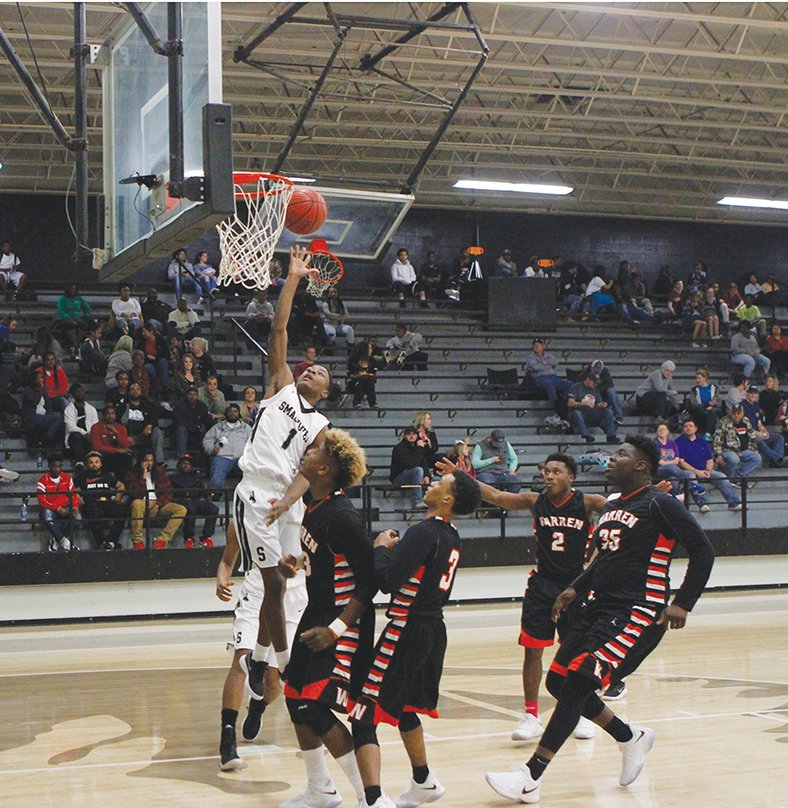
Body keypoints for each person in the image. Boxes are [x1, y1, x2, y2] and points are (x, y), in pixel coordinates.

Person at [485, 435, 715, 804]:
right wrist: (574, 588)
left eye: (621, 455)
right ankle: (629, 737)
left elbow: (703, 550)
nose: (611, 459)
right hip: (599, 607)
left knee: (577, 681)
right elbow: (604, 561)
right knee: (559, 683)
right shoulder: (609, 509)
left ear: (641, 465)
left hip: (638, 610)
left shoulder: (660, 503)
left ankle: (530, 776)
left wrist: (683, 602)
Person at [442, 452, 606, 742]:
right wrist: (461, 475)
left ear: (571, 477)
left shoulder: (588, 502)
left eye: (557, 471)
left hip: (575, 586)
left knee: (576, 654)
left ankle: (580, 711)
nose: (549, 475)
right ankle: (531, 715)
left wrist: (656, 497)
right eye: (546, 470)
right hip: (542, 585)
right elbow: (495, 495)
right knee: (532, 650)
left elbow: (624, 509)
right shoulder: (535, 501)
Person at [350, 471, 481, 808]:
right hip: (434, 629)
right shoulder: (452, 536)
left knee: (363, 713)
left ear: (448, 499)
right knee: (406, 707)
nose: (431, 485)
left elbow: (388, 582)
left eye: (440, 484)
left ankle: (374, 800)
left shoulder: (423, 532)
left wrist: (381, 549)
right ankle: (423, 780)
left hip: (406, 629)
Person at [235, 246, 331, 706]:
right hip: (256, 490)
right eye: (308, 365)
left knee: (293, 580)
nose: (310, 367)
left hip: (286, 502)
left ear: (326, 392)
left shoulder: (321, 428)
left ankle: (263, 659)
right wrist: (292, 278)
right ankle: (278, 664)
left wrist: (291, 503)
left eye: (320, 370)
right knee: (271, 582)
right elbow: (279, 328)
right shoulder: (281, 386)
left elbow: (311, 475)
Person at [278, 429, 374, 808]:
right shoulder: (313, 507)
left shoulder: (342, 516)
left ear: (326, 468)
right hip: (315, 611)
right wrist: (298, 566)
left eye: (317, 448)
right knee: (293, 698)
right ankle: (321, 789)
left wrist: (336, 630)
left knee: (315, 706)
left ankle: (369, 796)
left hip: (342, 622)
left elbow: (369, 582)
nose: (310, 449)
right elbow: (328, 560)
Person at [215, 521, 308, 771]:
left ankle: (258, 707)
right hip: (257, 591)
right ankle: (227, 741)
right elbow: (227, 560)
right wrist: (222, 578)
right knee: (241, 662)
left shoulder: (304, 510)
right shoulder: (245, 513)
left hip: (295, 597)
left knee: (273, 679)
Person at [675, 418, 741, 511]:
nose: (688, 428)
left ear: (695, 428)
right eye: (685, 426)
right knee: (691, 478)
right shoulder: (679, 442)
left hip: (705, 470)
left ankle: (734, 503)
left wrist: (708, 471)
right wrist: (698, 472)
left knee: (722, 476)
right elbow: (681, 462)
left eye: (690, 426)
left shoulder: (702, 441)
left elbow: (710, 459)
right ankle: (703, 504)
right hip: (689, 471)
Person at [125, 452, 187, 549]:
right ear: (140, 461)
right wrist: (143, 477)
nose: (148, 463)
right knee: (136, 503)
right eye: (146, 460)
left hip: (159, 502)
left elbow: (168, 492)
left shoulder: (159, 471)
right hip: (142, 501)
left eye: (151, 460)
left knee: (181, 509)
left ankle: (162, 540)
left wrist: (158, 505)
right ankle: (138, 541)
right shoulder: (132, 473)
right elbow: (136, 494)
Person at [75, 451, 126, 550]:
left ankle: (111, 541)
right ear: (87, 464)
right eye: (91, 462)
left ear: (101, 464)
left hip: (107, 503)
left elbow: (121, 485)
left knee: (121, 511)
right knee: (93, 511)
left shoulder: (107, 476)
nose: (94, 464)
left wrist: (118, 495)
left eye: (96, 462)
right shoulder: (82, 477)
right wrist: (77, 497)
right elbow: (69, 487)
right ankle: (101, 542)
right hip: (91, 504)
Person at [170, 453, 219, 548]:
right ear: (179, 465)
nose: (186, 465)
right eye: (183, 463)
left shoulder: (196, 479)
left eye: (188, 464)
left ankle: (206, 537)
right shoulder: (173, 478)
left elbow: (203, 493)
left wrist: (205, 497)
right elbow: (170, 494)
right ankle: (188, 538)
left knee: (213, 509)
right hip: (180, 501)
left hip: (196, 501)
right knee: (190, 508)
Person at [202, 404, 252, 493]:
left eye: (235, 411)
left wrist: (249, 456)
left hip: (242, 458)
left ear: (239, 414)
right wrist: (211, 449)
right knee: (216, 482)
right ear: (226, 413)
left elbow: (254, 443)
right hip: (221, 458)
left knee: (252, 479)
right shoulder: (217, 427)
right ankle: (213, 499)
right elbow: (207, 440)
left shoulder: (246, 428)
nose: (232, 413)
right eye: (230, 411)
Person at [37, 453, 81, 552]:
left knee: (78, 518)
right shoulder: (43, 481)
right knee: (47, 516)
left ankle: (56, 540)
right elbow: (42, 501)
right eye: (54, 466)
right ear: (49, 466)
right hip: (51, 508)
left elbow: (73, 495)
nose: (57, 469)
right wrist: (57, 508)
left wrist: (75, 506)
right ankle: (67, 544)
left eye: (59, 466)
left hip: (66, 506)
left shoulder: (67, 478)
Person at [116, 382, 165, 465]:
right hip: (128, 436)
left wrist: (150, 425)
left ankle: (159, 461)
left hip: (144, 436)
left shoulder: (148, 405)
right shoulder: (123, 406)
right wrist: (125, 436)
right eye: (132, 389)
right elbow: (117, 422)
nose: (135, 391)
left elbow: (154, 419)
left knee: (157, 431)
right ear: (128, 392)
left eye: (138, 389)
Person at [712, 403, 762, 483]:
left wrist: (753, 449)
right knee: (734, 460)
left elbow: (752, 436)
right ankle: (729, 480)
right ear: (731, 413)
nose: (736, 416)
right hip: (728, 450)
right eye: (734, 413)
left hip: (743, 450)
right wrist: (718, 455)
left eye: (739, 413)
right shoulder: (723, 422)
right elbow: (717, 440)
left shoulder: (746, 421)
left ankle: (739, 478)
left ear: (742, 413)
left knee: (757, 457)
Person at [567, 372, 621, 445]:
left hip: (592, 412)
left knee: (608, 411)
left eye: (596, 383)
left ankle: (611, 436)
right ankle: (586, 435)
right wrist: (583, 403)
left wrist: (602, 405)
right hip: (581, 412)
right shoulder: (576, 387)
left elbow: (598, 403)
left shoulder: (595, 389)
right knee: (577, 414)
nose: (595, 384)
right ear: (588, 380)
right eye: (594, 382)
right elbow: (570, 403)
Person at [741, 384, 787, 468]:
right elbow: (744, 427)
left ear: (758, 394)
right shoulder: (742, 406)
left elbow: (759, 423)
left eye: (755, 393)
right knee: (760, 441)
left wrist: (764, 431)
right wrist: (758, 434)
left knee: (779, 438)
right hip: (747, 435)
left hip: (757, 432)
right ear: (747, 393)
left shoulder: (756, 405)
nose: (753, 395)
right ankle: (779, 460)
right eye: (751, 392)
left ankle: (775, 462)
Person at [524, 339, 572, 410]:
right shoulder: (530, 357)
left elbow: (555, 362)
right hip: (540, 379)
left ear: (542, 346)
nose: (537, 347)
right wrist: (547, 363)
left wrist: (541, 363)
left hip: (553, 377)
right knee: (549, 384)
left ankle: (564, 404)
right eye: (535, 345)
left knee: (570, 385)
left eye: (539, 345)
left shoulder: (549, 355)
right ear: (532, 347)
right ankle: (556, 407)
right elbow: (535, 367)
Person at [89, 403, 134, 478]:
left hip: (116, 457)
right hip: (102, 456)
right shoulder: (95, 427)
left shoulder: (121, 428)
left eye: (112, 413)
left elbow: (125, 445)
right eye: (108, 414)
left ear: (115, 415)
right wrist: (117, 450)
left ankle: (122, 482)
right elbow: (97, 447)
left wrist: (116, 432)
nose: (110, 416)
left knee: (126, 456)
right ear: (103, 415)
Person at [389, 426, 429, 508]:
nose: (411, 436)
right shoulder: (399, 448)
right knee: (418, 470)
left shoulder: (417, 447)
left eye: (414, 434)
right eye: (409, 434)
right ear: (405, 436)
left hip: (415, 476)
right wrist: (420, 449)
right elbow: (412, 464)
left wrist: (427, 475)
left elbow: (424, 462)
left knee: (438, 479)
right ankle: (417, 501)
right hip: (399, 477)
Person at [21, 373, 63, 447]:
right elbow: (35, 401)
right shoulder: (28, 390)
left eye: (42, 378)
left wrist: (50, 415)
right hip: (32, 417)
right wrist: (39, 389)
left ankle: (50, 440)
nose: (41, 380)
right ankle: (48, 438)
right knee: (58, 419)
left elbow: (48, 405)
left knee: (60, 423)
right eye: (39, 378)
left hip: (43, 416)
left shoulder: (43, 391)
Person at [63, 383, 99, 465]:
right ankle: (79, 462)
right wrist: (85, 433)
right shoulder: (69, 409)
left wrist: (90, 434)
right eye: (77, 392)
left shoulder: (91, 409)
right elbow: (70, 427)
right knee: (76, 435)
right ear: (73, 394)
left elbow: (96, 426)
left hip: (89, 437)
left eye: (82, 391)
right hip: (75, 438)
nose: (80, 394)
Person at [172, 387, 213, 457]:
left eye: (194, 395)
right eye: (190, 394)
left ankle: (207, 457)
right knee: (181, 429)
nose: (192, 397)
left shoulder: (201, 405)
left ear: (198, 396)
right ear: (186, 395)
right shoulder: (180, 405)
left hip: (198, 435)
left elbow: (208, 419)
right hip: (183, 434)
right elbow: (179, 421)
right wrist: (196, 427)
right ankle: (182, 457)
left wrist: (205, 426)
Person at [53, 284, 92, 355]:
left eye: (74, 289)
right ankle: (76, 344)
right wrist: (67, 317)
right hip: (66, 318)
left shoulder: (79, 298)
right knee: (71, 324)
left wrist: (86, 315)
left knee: (84, 324)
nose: (73, 291)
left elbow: (87, 309)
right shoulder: (62, 299)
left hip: (77, 318)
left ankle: (76, 344)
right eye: (71, 289)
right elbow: (61, 310)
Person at [582, 359, 624, 424]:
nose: (598, 372)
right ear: (591, 368)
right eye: (596, 370)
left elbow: (610, 384)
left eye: (599, 370)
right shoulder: (585, 373)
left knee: (611, 391)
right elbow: (579, 384)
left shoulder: (605, 371)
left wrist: (598, 389)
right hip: (589, 393)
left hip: (602, 392)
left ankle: (619, 416)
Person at [134, 321, 170, 392]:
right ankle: (154, 388)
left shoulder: (161, 341)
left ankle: (165, 386)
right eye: (143, 332)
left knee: (164, 362)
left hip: (159, 362)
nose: (143, 333)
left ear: (151, 332)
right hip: (148, 362)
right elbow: (139, 355)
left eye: (145, 332)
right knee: (148, 367)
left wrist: (156, 358)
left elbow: (166, 354)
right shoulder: (141, 343)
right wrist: (147, 358)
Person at [687, 367, 721, 437]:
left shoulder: (714, 388)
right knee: (701, 408)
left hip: (712, 409)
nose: (697, 380)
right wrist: (707, 405)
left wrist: (712, 405)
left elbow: (718, 401)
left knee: (713, 411)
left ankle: (708, 433)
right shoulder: (694, 390)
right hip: (700, 410)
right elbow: (694, 404)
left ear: (705, 378)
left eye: (699, 378)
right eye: (696, 378)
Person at [347, 345, 378, 410]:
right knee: (360, 381)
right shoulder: (353, 361)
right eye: (369, 348)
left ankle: (371, 403)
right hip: (355, 382)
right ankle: (359, 402)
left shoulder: (372, 361)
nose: (371, 350)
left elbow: (373, 374)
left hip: (368, 382)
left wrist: (365, 374)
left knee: (369, 382)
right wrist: (359, 375)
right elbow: (350, 375)